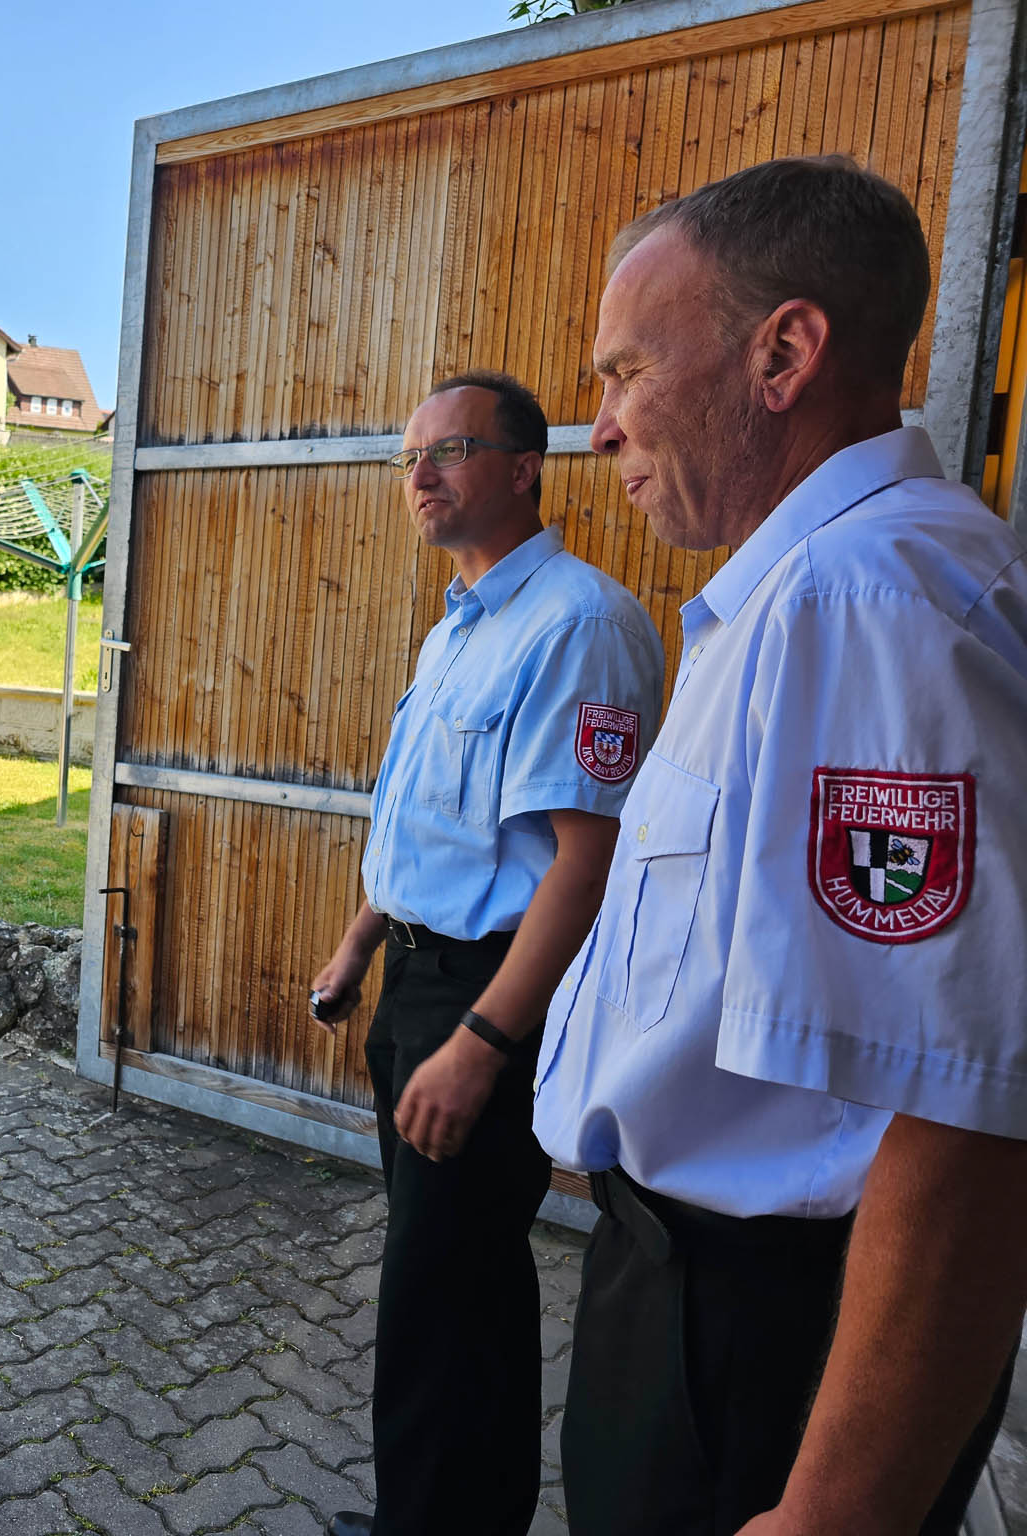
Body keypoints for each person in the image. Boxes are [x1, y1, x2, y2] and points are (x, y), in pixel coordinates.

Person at [535, 155, 1027, 1536]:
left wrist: (833, 1513)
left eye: (627, 372)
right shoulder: (806, 597)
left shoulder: (865, 602)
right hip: (709, 1308)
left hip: (761, 1351)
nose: (600, 429)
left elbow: (963, 1112)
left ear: (783, 355)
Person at [310, 373, 664, 1536]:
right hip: (416, 983)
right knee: (450, 1286)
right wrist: (358, 945)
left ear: (522, 468)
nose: (418, 475)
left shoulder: (578, 625)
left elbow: (583, 864)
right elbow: (432, 824)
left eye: (449, 450)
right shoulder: (457, 627)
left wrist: (478, 1041)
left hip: (486, 999)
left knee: (437, 1292)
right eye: (409, 455)